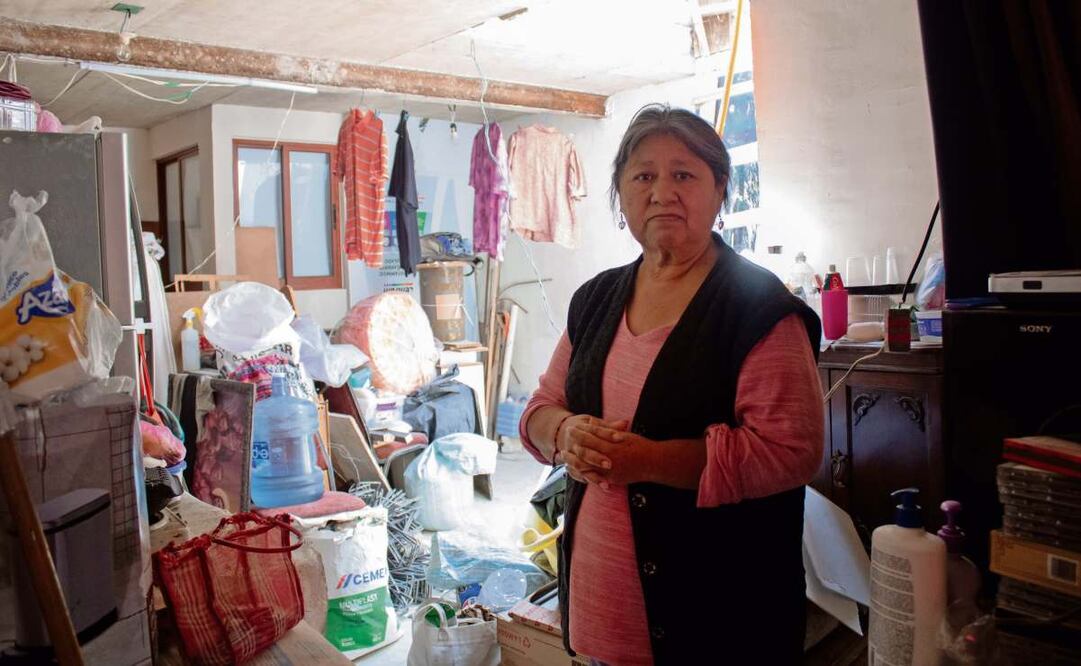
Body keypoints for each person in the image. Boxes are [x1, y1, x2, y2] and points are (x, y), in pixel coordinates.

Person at [519, 105, 824, 665]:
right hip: (599, 617)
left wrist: (646, 461)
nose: (662, 192)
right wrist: (565, 434)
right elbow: (542, 406)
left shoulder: (758, 306)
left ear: (719, 189)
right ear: (621, 195)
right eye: (643, 176)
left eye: (683, 174)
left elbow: (790, 452)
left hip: (719, 624)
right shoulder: (595, 299)